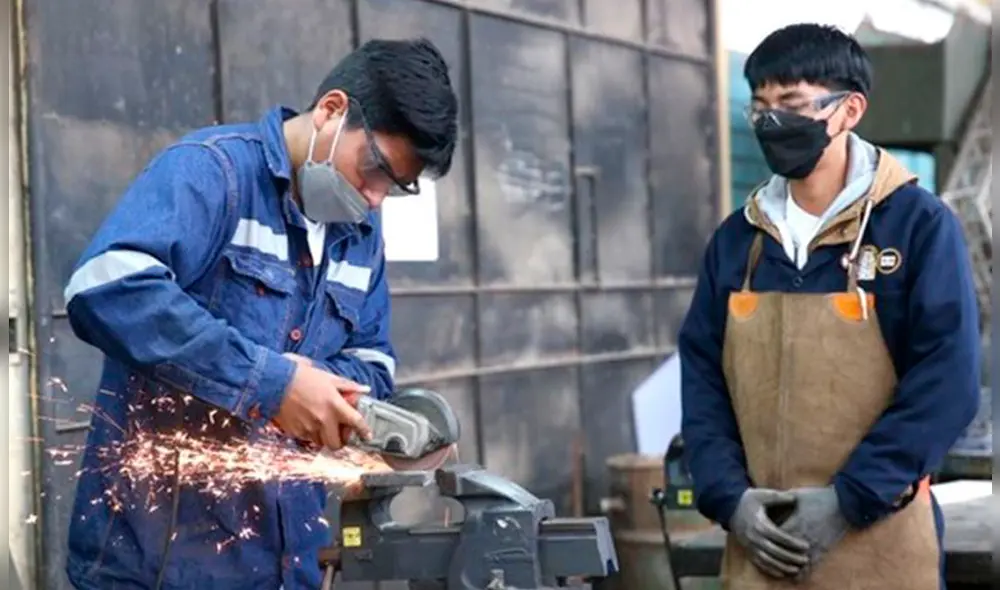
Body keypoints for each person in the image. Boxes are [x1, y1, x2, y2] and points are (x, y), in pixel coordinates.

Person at [63, 38, 458, 590]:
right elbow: (105, 287)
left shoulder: (360, 238)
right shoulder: (213, 173)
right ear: (331, 110)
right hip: (159, 566)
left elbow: (372, 358)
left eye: (393, 187)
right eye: (374, 168)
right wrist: (271, 385)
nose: (373, 198)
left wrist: (371, 421)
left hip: (284, 563)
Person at [678, 23, 980, 590]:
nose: (771, 122)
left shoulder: (915, 226)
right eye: (760, 106)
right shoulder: (738, 241)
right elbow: (702, 382)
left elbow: (948, 384)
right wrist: (731, 500)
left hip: (880, 544)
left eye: (792, 104)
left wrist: (849, 500)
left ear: (849, 111)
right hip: (760, 544)